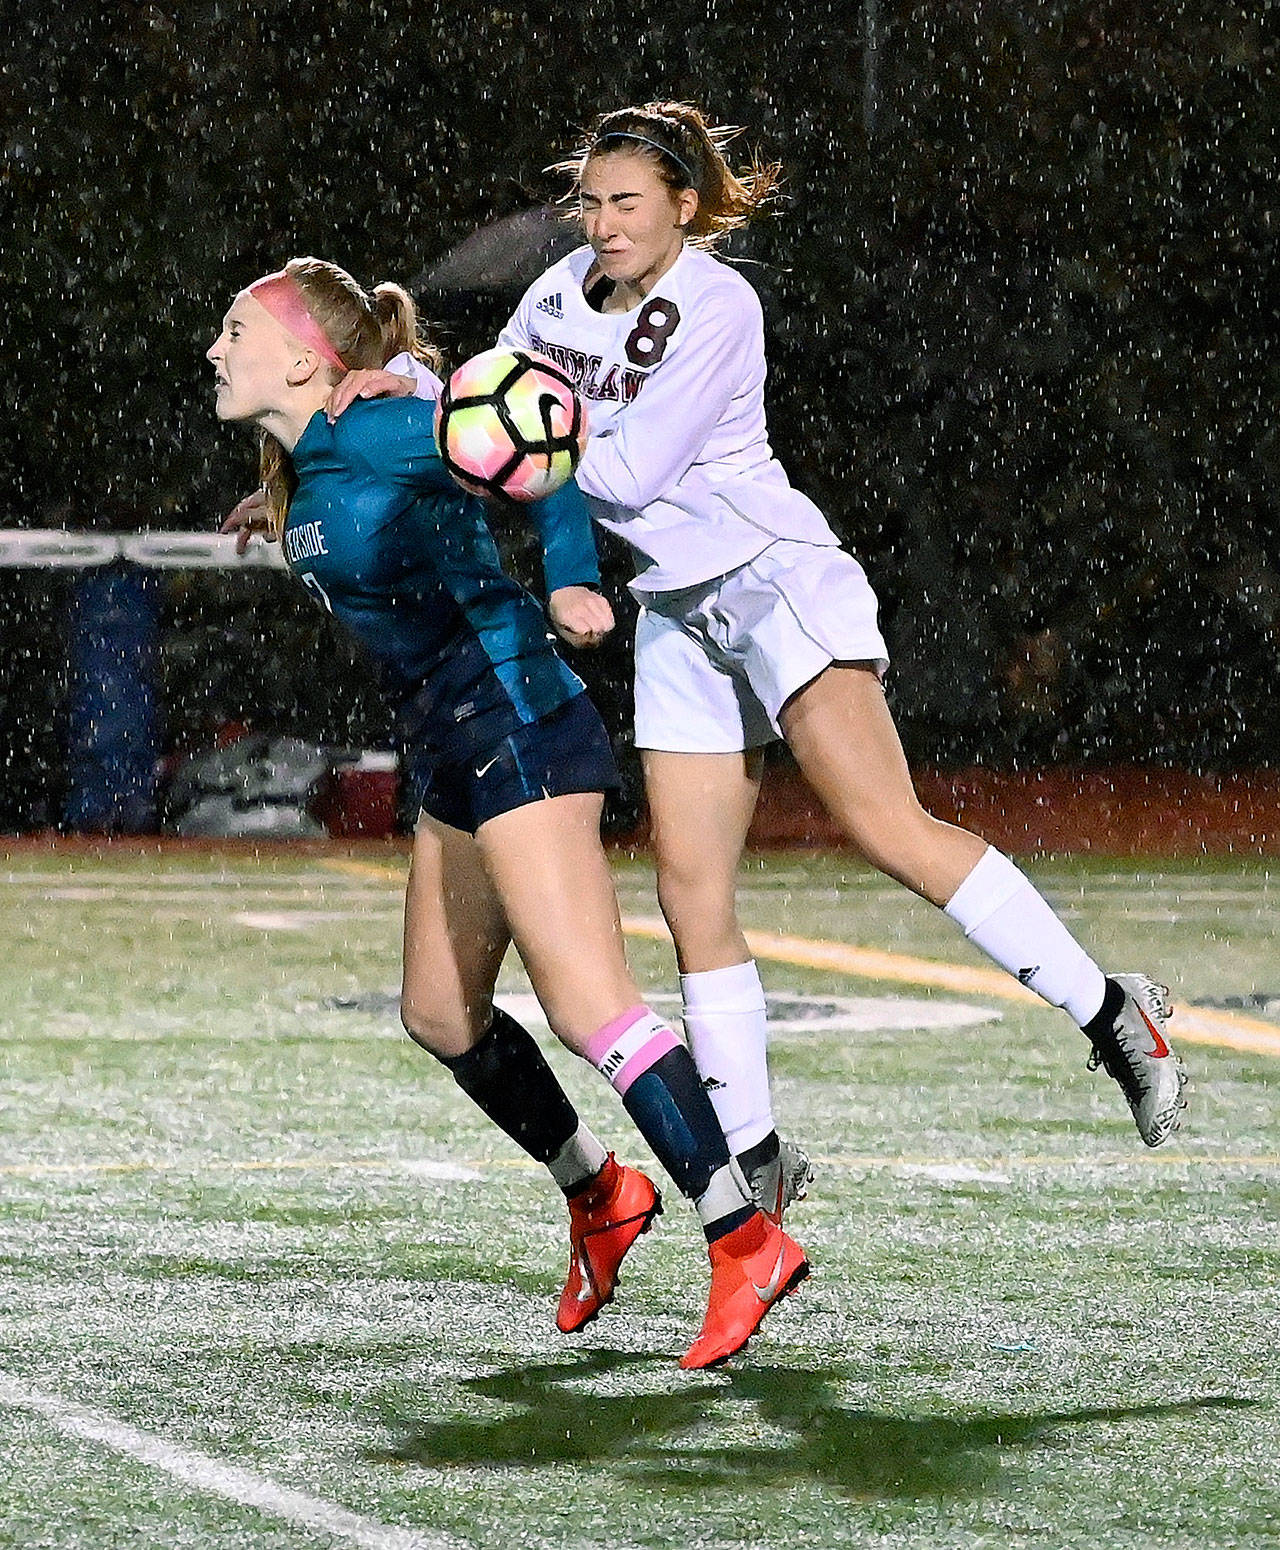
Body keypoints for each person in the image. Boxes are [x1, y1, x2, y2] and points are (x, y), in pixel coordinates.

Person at [328, 101, 1191, 1163]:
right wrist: (413, 386)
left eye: (627, 202)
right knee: (689, 893)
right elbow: (497, 394)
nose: (602, 223)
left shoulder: (719, 303)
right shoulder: (558, 292)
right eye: (591, 202)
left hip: (771, 580)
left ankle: (1111, 1012)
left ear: (684, 206)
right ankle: (757, 1159)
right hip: (677, 607)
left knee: (885, 828)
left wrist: (495, 428)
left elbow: (624, 468)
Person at [209, 255, 808, 1370]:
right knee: (440, 1013)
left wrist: (572, 576)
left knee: (596, 1009)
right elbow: (362, 507)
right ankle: (603, 1191)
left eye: (235, 330)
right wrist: (277, 495)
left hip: (518, 718)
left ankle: (745, 1234)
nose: (215, 348)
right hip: (451, 744)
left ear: (304, 358)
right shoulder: (313, 455)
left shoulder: (387, 425)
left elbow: (546, 449)